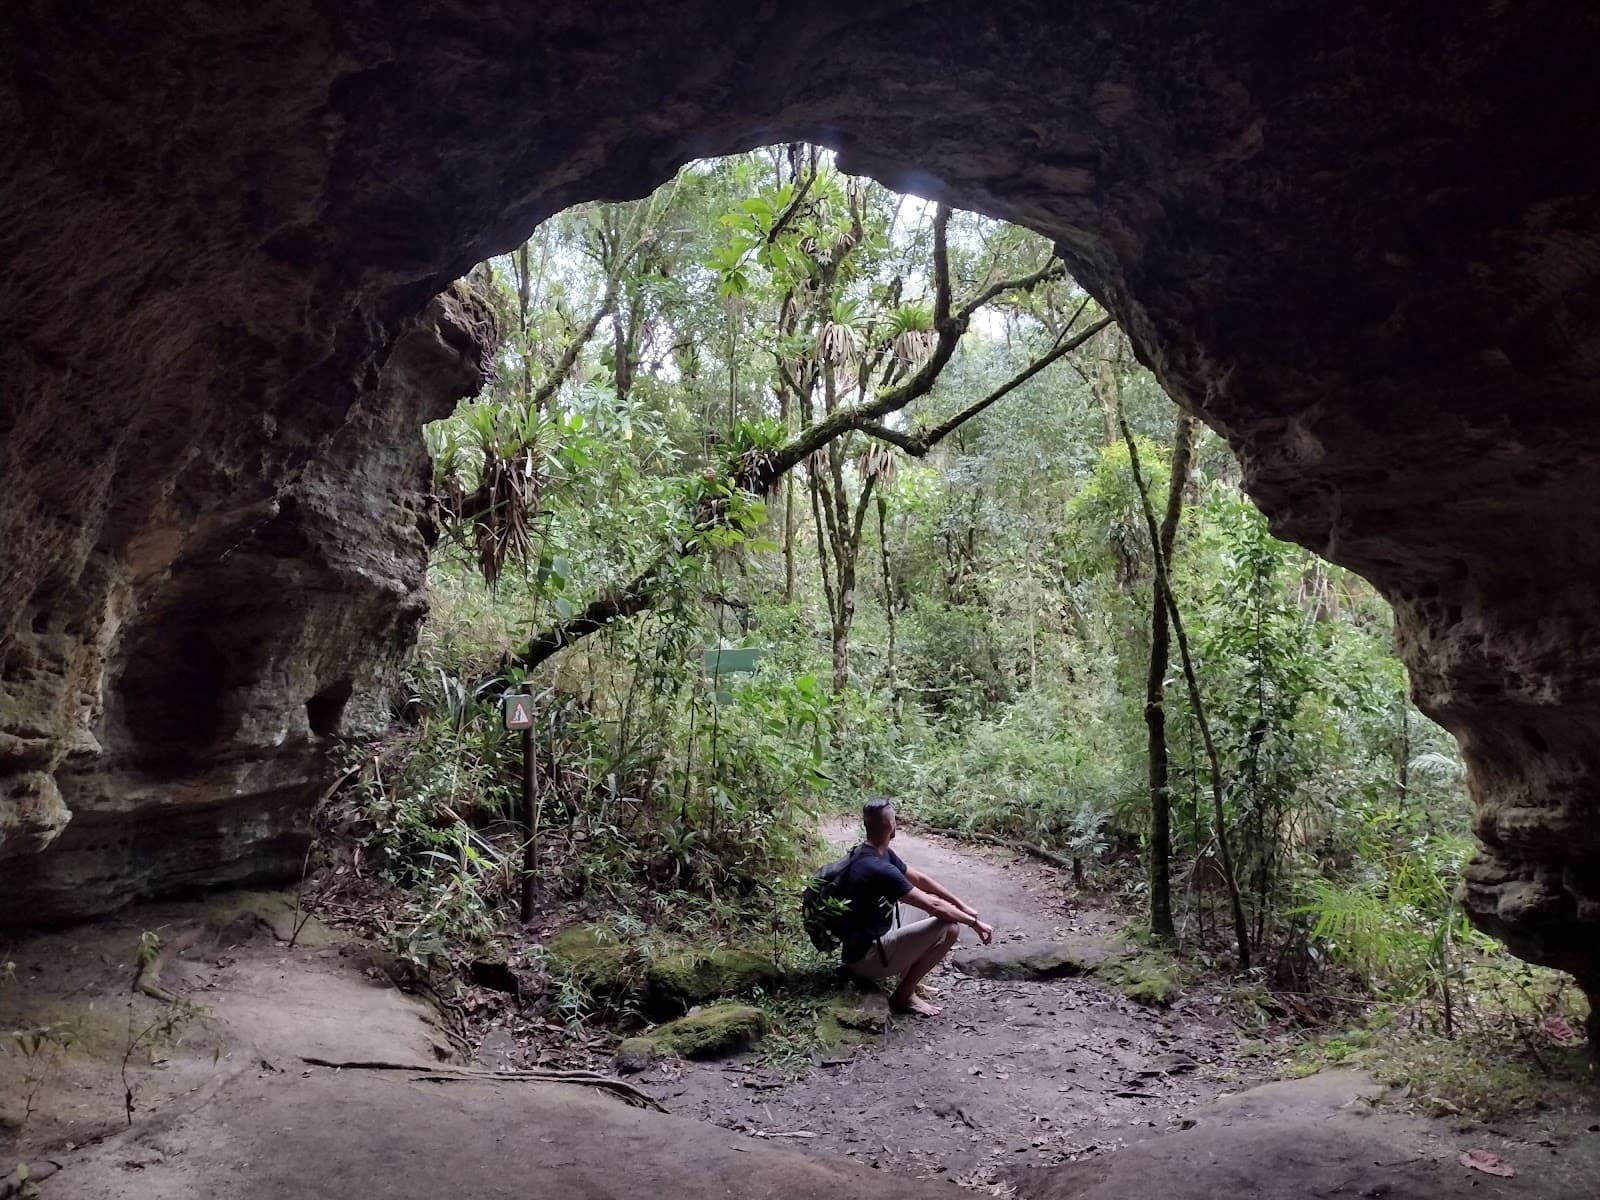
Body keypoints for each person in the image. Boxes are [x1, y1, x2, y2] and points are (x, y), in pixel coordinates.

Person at [837, 797, 994, 1015]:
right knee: (949, 927)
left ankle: (909, 980)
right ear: (891, 825)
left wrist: (962, 906)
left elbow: (919, 879)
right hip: (866, 959)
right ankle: (904, 995)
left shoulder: (873, 852)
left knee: (934, 902)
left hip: (865, 942)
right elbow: (935, 906)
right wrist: (974, 923)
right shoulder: (877, 867)